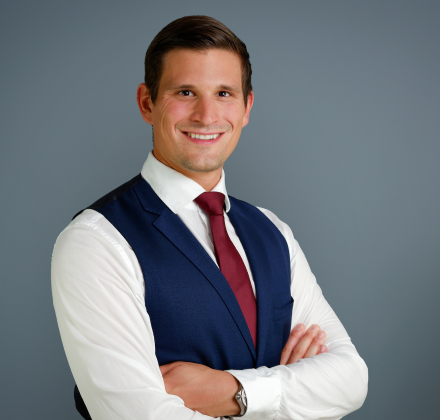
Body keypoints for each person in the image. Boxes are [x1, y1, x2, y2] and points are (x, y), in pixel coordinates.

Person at [52, 15, 368, 420]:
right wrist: (291, 389)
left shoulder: (272, 231)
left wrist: (235, 391)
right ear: (147, 103)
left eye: (223, 93)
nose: (206, 115)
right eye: (185, 92)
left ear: (247, 107)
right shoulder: (96, 241)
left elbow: (351, 380)